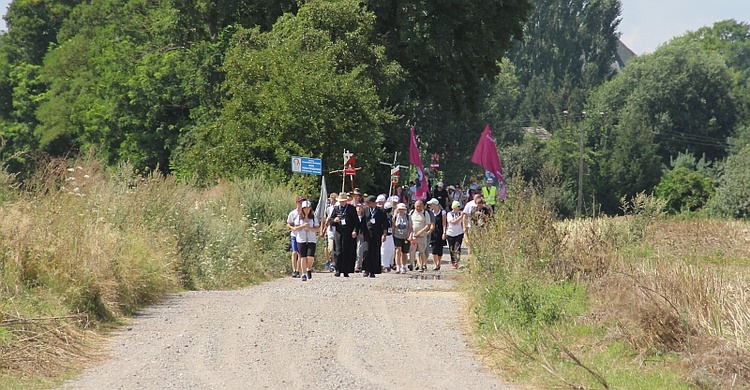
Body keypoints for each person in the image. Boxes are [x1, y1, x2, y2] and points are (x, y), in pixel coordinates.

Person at [328, 193, 359, 277]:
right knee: (338, 251)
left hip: (349, 233)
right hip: (339, 233)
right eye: (340, 201)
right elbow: (330, 220)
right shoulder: (336, 209)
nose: (342, 203)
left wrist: (355, 231)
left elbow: (356, 222)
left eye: (343, 201)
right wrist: (334, 220)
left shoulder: (352, 209)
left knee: (347, 251)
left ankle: (346, 270)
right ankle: (338, 269)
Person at [362, 195, 389, 278]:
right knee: (366, 251)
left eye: (369, 203)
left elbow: (385, 224)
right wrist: (362, 233)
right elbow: (362, 223)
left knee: (375, 252)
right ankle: (366, 269)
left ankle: (373, 270)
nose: (367, 204)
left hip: (377, 234)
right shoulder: (366, 210)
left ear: (373, 203)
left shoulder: (381, 211)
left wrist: (384, 234)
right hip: (367, 234)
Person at [295, 200, 319, 281]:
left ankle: (309, 268)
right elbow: (295, 228)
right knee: (303, 257)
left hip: (311, 239)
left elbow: (317, 228)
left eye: (308, 208)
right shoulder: (299, 217)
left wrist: (310, 228)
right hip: (301, 239)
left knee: (310, 257)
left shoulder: (313, 217)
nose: (306, 210)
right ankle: (304, 273)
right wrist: (302, 226)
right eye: (305, 208)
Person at [408, 200, 434, 272]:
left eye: (419, 206)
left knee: (422, 251)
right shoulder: (411, 213)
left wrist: (421, 231)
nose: (418, 208)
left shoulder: (425, 213)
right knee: (412, 249)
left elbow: (428, 225)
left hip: (422, 236)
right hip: (413, 235)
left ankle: (422, 265)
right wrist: (411, 233)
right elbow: (409, 224)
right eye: (417, 206)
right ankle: (411, 263)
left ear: (422, 206)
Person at [286, 195, 305, 278]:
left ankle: (298, 270)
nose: (301, 204)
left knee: (300, 254)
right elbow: (288, 223)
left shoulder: (305, 213)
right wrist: (292, 227)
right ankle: (294, 270)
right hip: (294, 234)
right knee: (294, 252)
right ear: (297, 203)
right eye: (300, 202)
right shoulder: (292, 213)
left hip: (302, 235)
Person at [320, 192, 339, 272]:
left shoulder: (338, 207)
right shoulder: (328, 208)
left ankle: (337, 263)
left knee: (338, 248)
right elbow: (325, 219)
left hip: (337, 229)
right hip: (330, 230)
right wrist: (323, 229)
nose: (332, 201)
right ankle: (332, 262)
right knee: (330, 248)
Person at [427, 198, 447, 270]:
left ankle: (439, 262)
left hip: (440, 232)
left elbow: (444, 224)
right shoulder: (431, 213)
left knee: (440, 249)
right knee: (433, 248)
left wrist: (444, 232)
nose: (429, 206)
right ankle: (435, 264)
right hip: (433, 232)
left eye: (431, 204)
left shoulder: (442, 212)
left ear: (435, 205)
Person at [392, 203, 412, 274]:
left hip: (406, 236)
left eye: (402, 209)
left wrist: (410, 236)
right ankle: (398, 266)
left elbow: (410, 228)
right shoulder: (395, 217)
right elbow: (393, 227)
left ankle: (403, 266)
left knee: (404, 252)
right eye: (400, 209)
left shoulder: (408, 217)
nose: (401, 211)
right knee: (398, 250)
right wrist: (393, 235)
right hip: (397, 236)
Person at [445, 200, 466, 269]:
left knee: (457, 248)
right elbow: (453, 222)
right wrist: (461, 216)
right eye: (457, 206)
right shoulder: (449, 214)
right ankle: (453, 262)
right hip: (450, 233)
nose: (459, 208)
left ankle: (457, 261)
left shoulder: (461, 213)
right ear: (454, 207)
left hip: (459, 233)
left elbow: (463, 222)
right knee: (451, 249)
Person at [380, 201, 395, 272]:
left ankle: (389, 263)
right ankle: (383, 265)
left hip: (390, 235)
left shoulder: (390, 216)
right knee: (384, 251)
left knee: (391, 250)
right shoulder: (383, 216)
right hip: (384, 235)